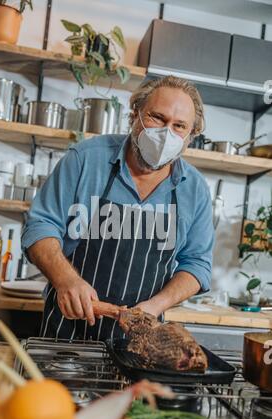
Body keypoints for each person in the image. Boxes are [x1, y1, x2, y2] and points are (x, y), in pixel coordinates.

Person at [21, 75, 214, 341]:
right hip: (66, 331)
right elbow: (40, 226)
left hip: (140, 340)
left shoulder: (194, 189)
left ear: (190, 136)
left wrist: (155, 306)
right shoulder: (86, 159)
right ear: (135, 115)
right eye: (157, 118)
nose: (166, 133)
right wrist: (66, 279)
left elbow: (197, 264)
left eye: (179, 126)